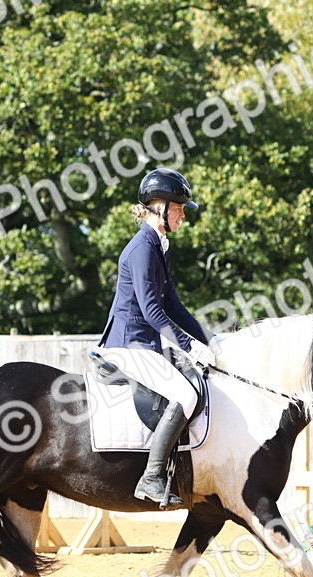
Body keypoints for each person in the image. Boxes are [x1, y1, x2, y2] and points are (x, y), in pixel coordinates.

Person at [96, 167, 217, 506]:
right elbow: (151, 312)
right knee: (186, 393)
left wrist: (209, 340)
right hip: (128, 344)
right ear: (159, 207)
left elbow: (174, 306)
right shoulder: (142, 248)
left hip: (144, 343)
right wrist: (189, 345)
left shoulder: (159, 247)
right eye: (179, 207)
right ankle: (151, 477)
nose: (183, 214)